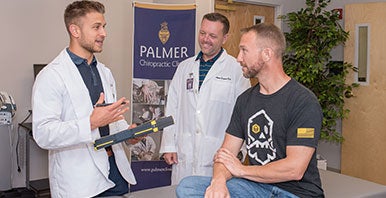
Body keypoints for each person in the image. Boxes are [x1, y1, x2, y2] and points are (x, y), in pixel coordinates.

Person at [176, 23, 324, 197]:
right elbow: (225, 154)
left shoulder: (303, 101)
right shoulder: (245, 100)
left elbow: (294, 169)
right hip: (257, 187)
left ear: (267, 54)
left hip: (295, 193)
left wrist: (240, 170)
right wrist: (218, 182)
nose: (238, 58)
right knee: (188, 186)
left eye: (244, 50)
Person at [32, 1, 137, 197]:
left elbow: (110, 120)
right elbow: (43, 133)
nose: (103, 33)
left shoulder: (104, 72)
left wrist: (129, 134)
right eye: (96, 27)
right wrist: (90, 123)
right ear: (75, 30)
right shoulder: (51, 76)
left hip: (115, 173)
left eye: (104, 27)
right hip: (80, 182)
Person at [159, 12, 250, 185]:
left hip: (218, 155)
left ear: (225, 38)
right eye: (202, 33)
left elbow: (244, 113)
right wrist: (169, 145)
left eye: (213, 36)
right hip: (185, 154)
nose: (205, 39)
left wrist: (240, 151)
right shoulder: (184, 67)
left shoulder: (237, 69)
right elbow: (172, 108)